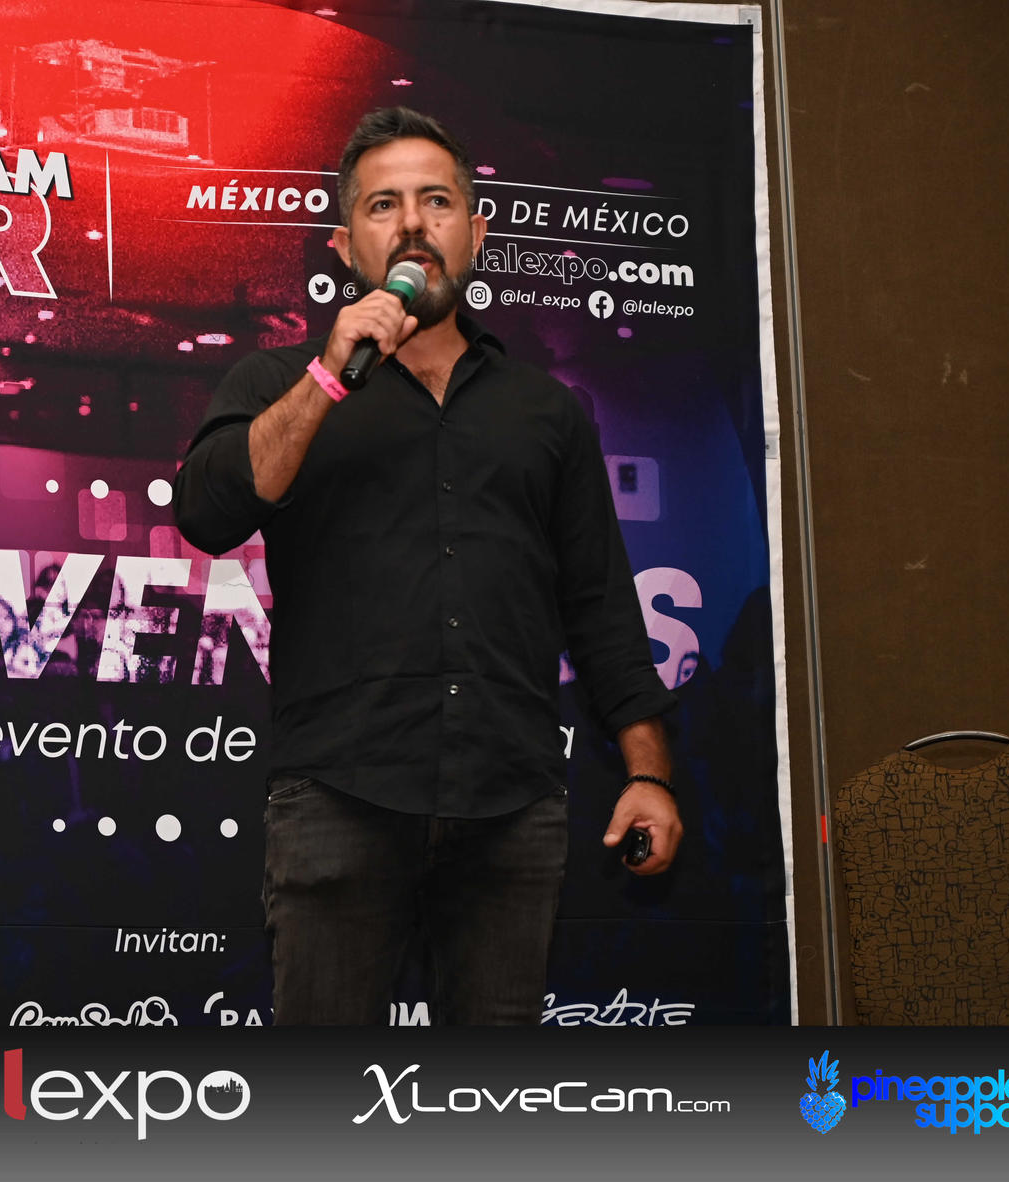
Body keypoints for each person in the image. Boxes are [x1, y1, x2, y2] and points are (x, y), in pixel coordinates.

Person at [173, 106, 683, 1025]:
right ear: (345, 247)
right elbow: (210, 514)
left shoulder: (547, 412)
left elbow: (601, 606)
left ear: (475, 233)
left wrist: (650, 773)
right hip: (339, 795)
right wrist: (329, 375)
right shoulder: (277, 382)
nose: (412, 224)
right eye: (383, 206)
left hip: (510, 803)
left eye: (436, 201)